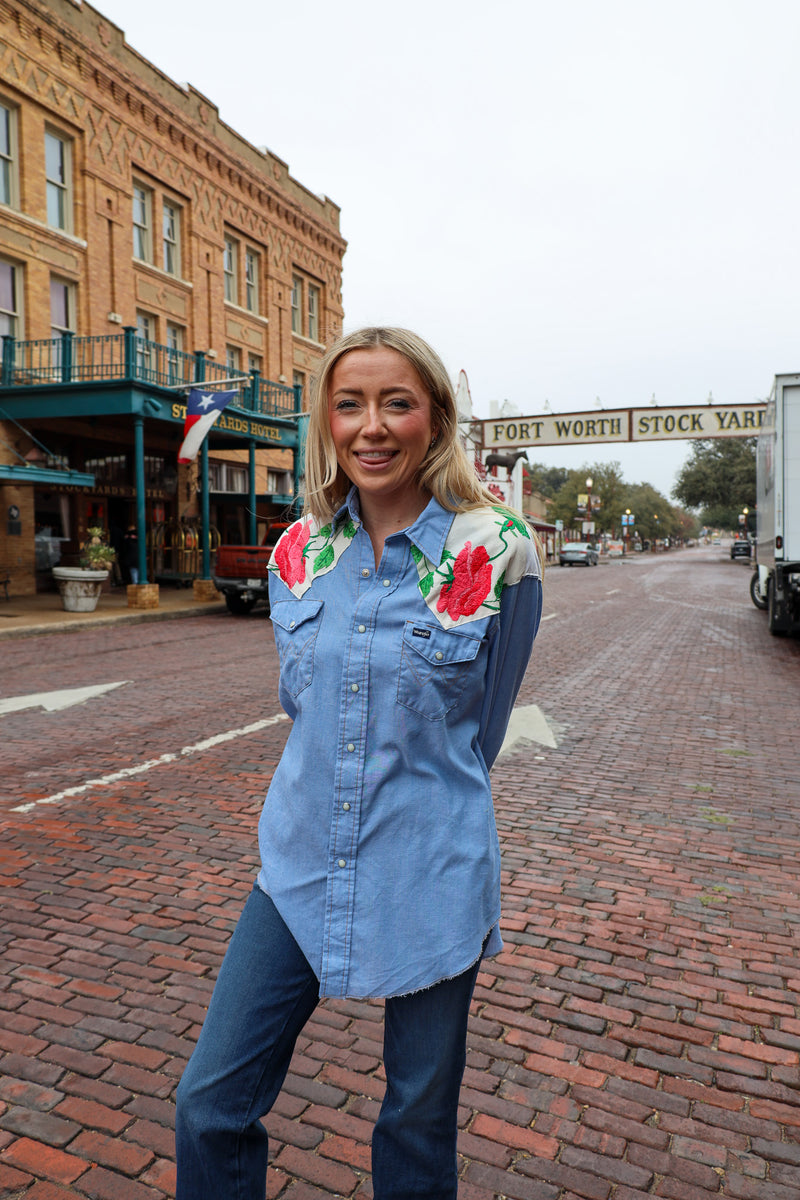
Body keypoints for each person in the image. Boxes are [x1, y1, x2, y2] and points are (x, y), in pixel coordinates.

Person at [175, 327, 543, 1200]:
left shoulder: (497, 550)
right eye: (350, 405)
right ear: (327, 423)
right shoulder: (297, 552)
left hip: (431, 866)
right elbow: (301, 709)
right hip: (299, 863)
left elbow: (482, 733)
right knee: (208, 1104)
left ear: (435, 420)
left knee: (414, 1124)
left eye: (396, 403)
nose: (371, 427)